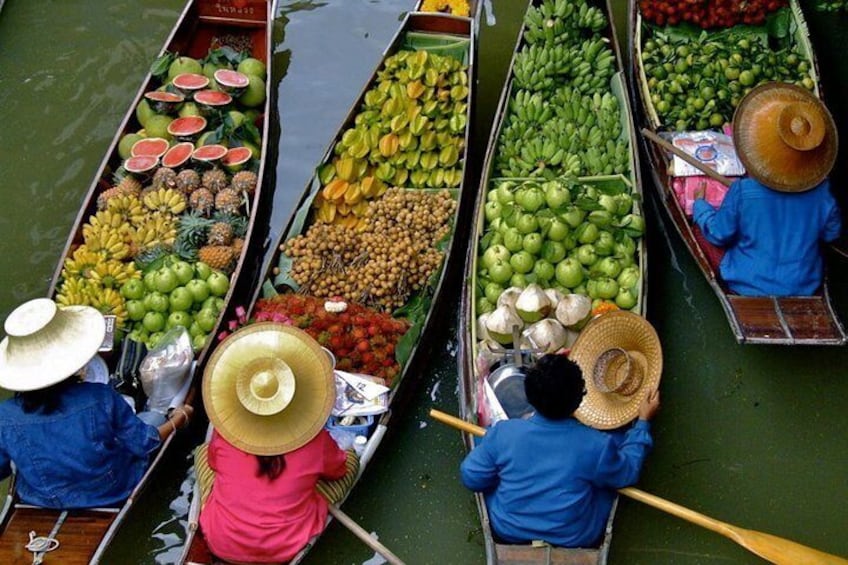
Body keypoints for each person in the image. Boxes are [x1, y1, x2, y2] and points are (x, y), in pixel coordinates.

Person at [461, 311, 662, 548]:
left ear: (531, 398)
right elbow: (627, 472)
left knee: (490, 461)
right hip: (576, 536)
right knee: (610, 475)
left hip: (508, 528)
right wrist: (642, 424)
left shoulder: (502, 434)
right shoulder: (597, 444)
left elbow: (471, 477)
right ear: (579, 402)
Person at [0, 298, 193, 509]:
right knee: (153, 417)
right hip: (110, 492)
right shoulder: (99, 397)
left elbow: (2, 469)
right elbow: (144, 443)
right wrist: (178, 419)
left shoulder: (5, 415)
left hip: (40, 500)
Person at [197, 322, 358, 564]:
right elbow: (339, 471)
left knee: (203, 453)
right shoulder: (315, 442)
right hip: (285, 547)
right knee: (351, 462)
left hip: (222, 541)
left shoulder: (226, 434)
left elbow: (213, 462)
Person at [692, 81, 841, 297]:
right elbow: (831, 235)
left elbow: (718, 234)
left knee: (700, 228)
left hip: (746, 283)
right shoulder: (823, 194)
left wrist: (700, 206)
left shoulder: (743, 191)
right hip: (804, 285)